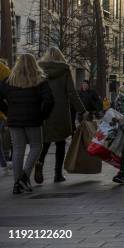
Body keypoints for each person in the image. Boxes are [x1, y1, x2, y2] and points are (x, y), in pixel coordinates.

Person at [0, 54, 54, 194]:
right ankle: (24, 178)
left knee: (18, 150)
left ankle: (17, 184)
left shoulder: (8, 81)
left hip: (14, 120)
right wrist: (43, 115)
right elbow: (49, 100)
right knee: (37, 146)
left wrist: (7, 112)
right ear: (34, 64)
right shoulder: (40, 81)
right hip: (33, 119)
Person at [35, 47, 86, 184]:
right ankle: (58, 174)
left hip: (43, 111)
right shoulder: (64, 70)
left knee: (44, 142)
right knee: (60, 142)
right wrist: (82, 110)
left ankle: (39, 163)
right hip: (60, 111)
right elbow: (71, 92)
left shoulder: (38, 69)